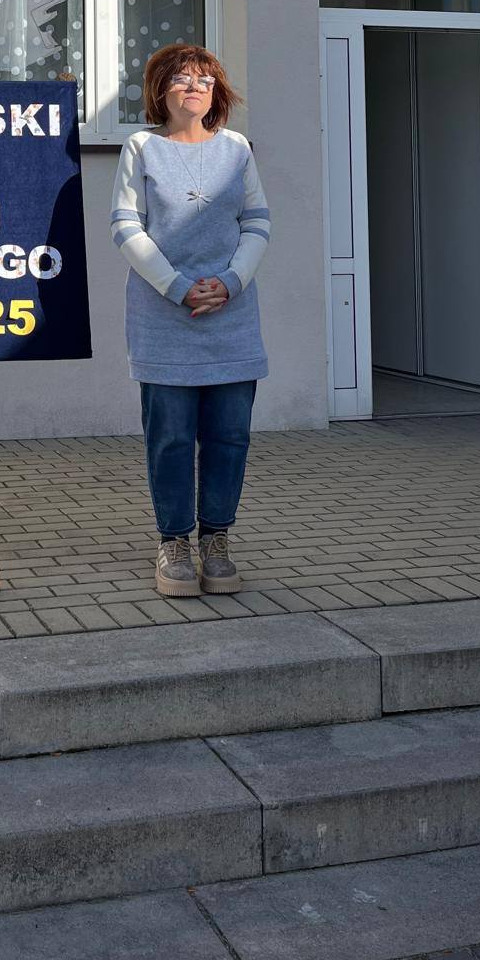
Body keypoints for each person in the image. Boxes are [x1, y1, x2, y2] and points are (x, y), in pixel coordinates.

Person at [110, 44, 270, 597]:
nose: (194, 87)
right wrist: (178, 288)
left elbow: (257, 223)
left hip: (232, 316)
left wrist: (231, 281)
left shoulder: (237, 149)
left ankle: (216, 540)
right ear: (161, 90)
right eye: (181, 78)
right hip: (163, 317)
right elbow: (126, 226)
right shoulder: (140, 148)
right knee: (171, 439)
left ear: (216, 92)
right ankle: (174, 542)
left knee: (229, 436)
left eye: (204, 80)